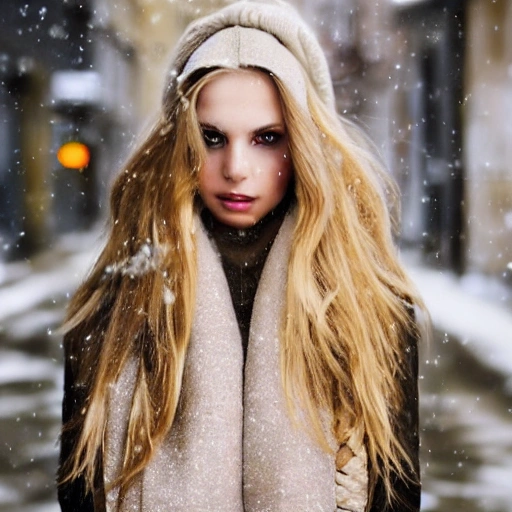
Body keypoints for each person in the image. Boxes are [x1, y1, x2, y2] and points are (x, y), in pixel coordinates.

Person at [58, 1, 425, 511]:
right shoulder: (116, 301)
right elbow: (81, 491)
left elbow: (397, 495)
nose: (235, 167)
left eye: (266, 138)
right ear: (180, 141)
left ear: (302, 142)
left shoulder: (371, 306)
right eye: (211, 138)